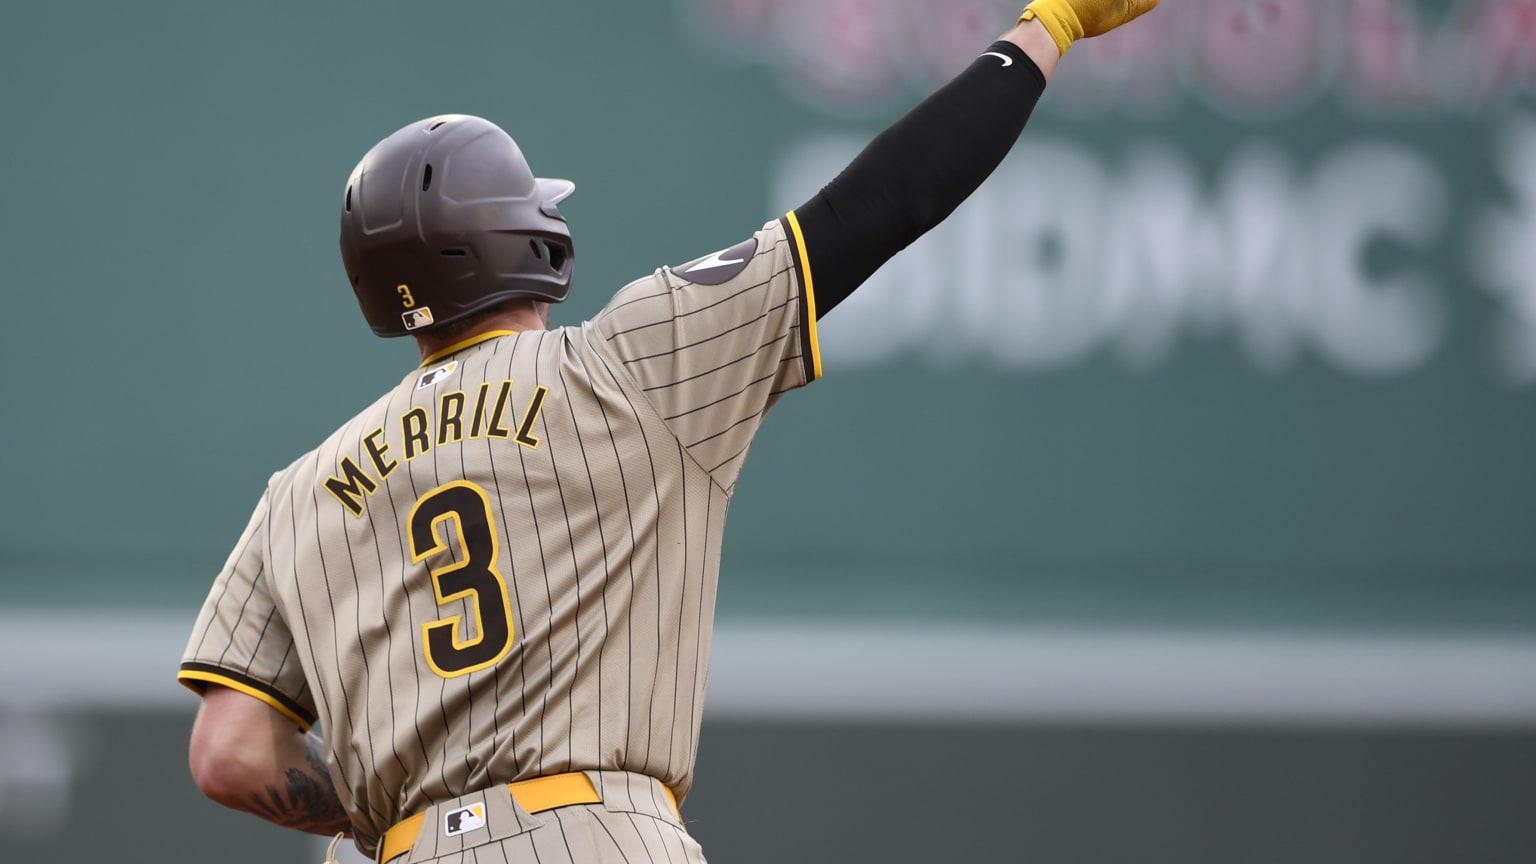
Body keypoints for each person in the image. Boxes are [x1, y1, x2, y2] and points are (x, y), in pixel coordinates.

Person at [176, 2, 1160, 862]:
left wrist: (380, 824)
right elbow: (884, 202)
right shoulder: (629, 366)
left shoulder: (300, 492)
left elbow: (228, 755)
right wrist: (1048, 27)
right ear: (533, 242)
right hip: (592, 836)